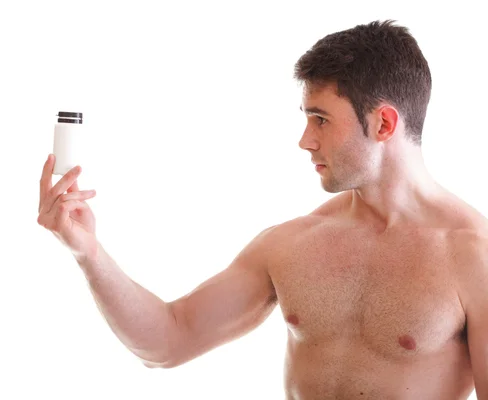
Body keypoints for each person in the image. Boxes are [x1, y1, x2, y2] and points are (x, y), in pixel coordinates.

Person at [37, 20, 488, 399]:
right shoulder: (293, 243)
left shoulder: (473, 256)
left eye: (322, 119)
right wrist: (88, 252)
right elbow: (167, 341)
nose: (305, 140)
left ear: (384, 123)